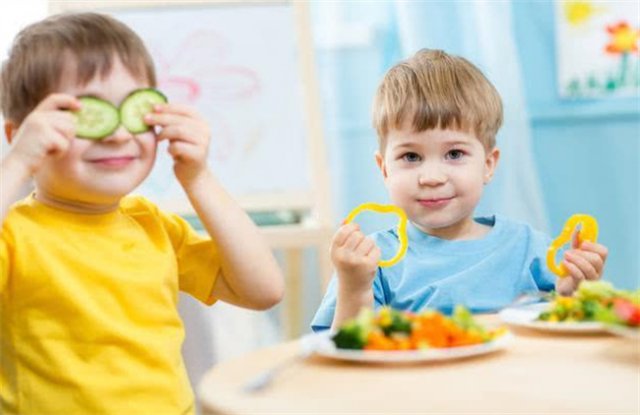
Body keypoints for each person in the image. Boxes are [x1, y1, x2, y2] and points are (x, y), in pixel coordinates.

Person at [0, 12, 284, 414]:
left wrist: (198, 178)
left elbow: (264, 290)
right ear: (21, 135)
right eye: (85, 116)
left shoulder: (152, 224)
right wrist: (15, 164)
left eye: (131, 110)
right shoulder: (14, 234)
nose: (117, 133)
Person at [311, 49, 608, 332]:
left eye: (454, 154)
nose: (431, 177)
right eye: (411, 157)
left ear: (488, 165)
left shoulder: (530, 249)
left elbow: (567, 341)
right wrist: (354, 288)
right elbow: (343, 357)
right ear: (384, 169)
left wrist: (576, 295)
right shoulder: (370, 262)